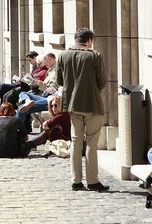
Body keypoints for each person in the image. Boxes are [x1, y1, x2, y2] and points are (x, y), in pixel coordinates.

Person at [56, 27, 108, 191]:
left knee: (76, 141)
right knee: (91, 142)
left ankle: (75, 180)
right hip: (92, 104)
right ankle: (92, 181)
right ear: (89, 40)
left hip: (72, 104)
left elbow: (59, 80)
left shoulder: (63, 55)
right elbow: (102, 82)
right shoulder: (94, 56)